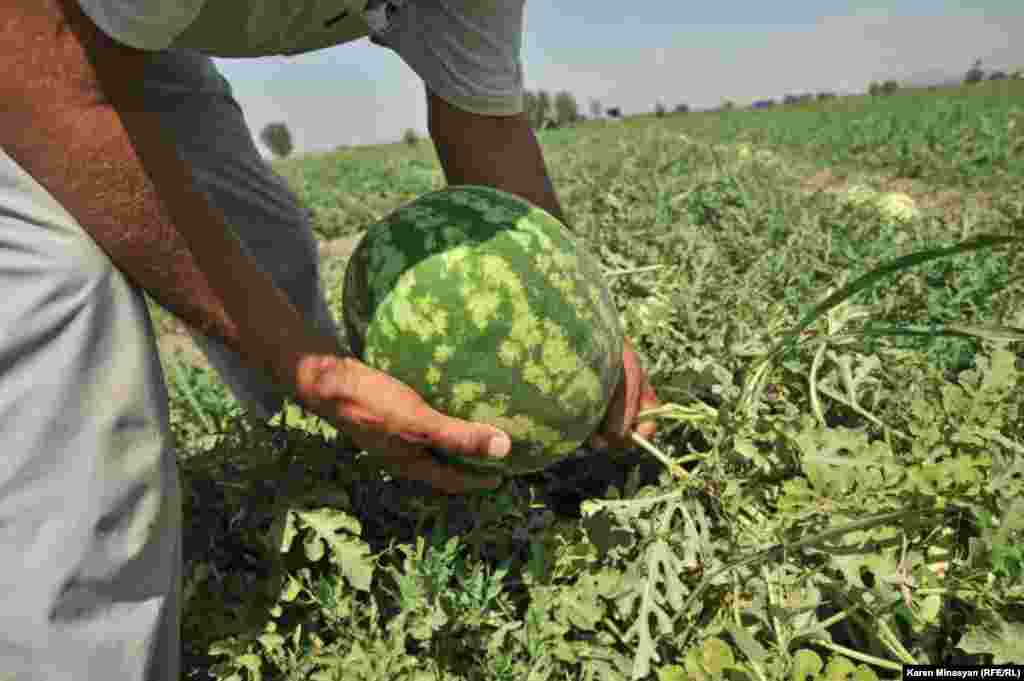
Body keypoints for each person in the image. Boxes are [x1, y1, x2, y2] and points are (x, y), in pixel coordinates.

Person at [0, 1, 659, 678]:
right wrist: (316, 373)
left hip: (103, 23)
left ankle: (314, 467)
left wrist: (583, 323)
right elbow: (30, 67)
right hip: (16, 40)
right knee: (68, 301)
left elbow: (484, 124)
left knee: (268, 247)